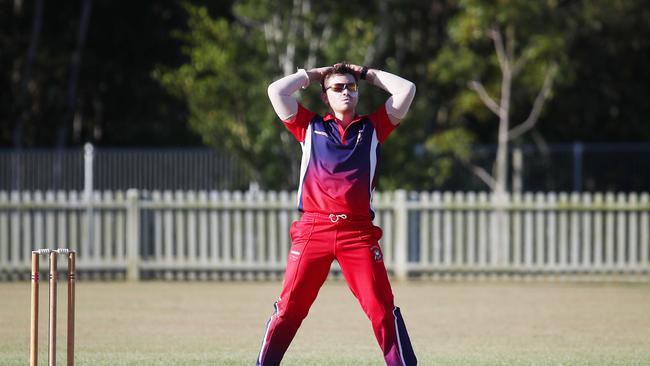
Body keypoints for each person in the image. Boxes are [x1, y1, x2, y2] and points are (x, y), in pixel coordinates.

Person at [256, 63, 417, 366]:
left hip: (357, 233)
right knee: (290, 309)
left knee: (382, 309)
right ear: (325, 96)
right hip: (313, 230)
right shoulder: (309, 126)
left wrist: (366, 73)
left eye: (351, 87)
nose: (346, 92)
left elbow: (406, 89)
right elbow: (275, 91)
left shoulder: (373, 127)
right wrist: (315, 74)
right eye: (338, 88)